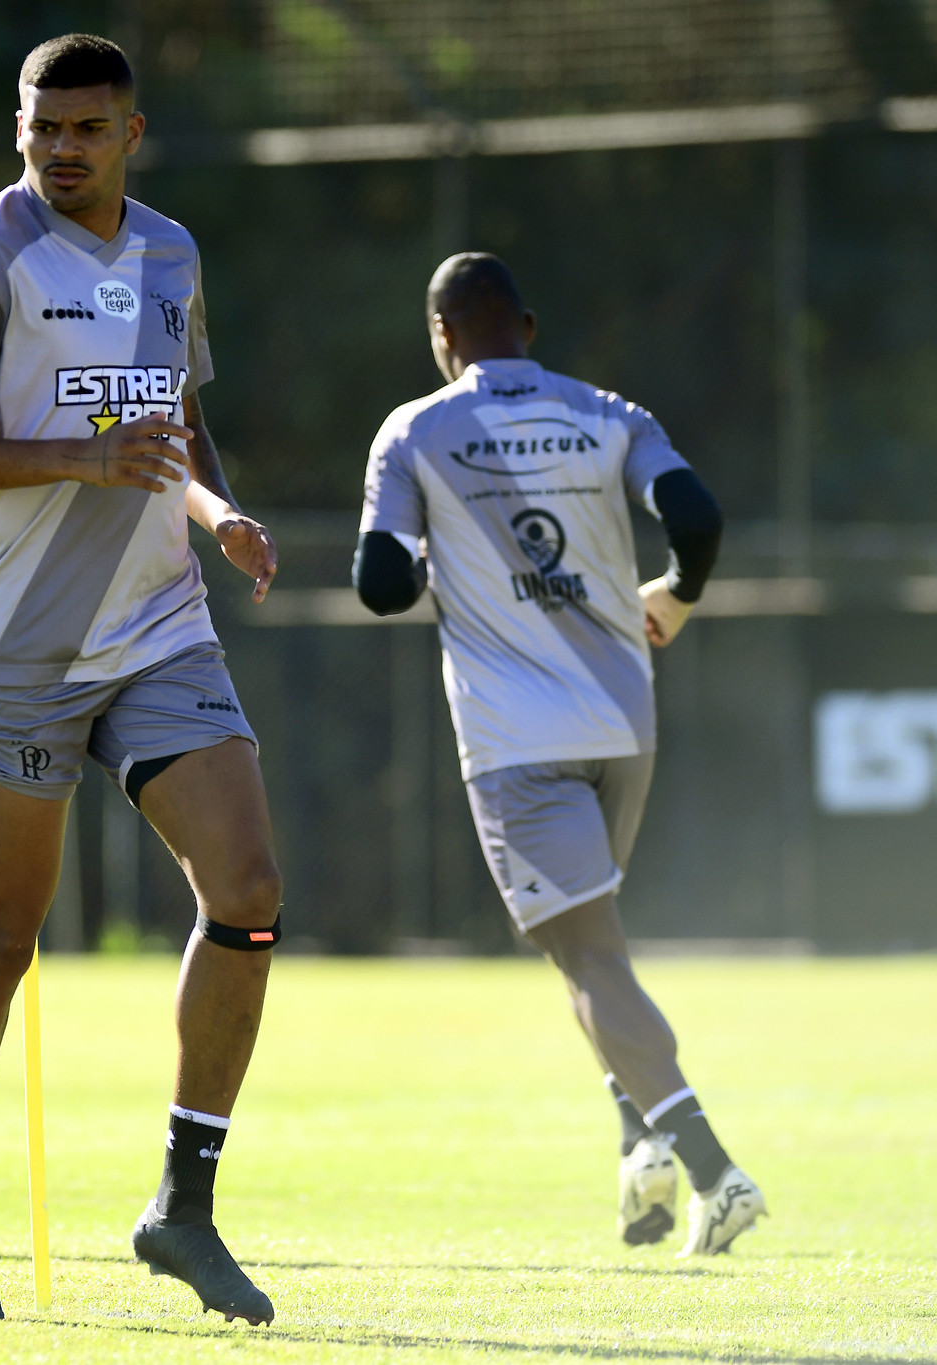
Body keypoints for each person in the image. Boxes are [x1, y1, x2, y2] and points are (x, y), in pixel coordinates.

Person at [0, 33, 283, 1324]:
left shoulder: (173, 251)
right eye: (40, 129)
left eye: (86, 131)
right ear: (20, 131)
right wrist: (78, 457)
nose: (61, 151)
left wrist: (218, 511)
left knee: (253, 895)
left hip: (160, 628)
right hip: (13, 650)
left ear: (132, 132)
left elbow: (176, 419)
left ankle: (184, 1204)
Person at [354, 252, 766, 1256]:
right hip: (623, 725)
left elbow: (377, 584)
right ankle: (642, 1153)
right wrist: (674, 592)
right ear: (525, 328)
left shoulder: (414, 431)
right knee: (595, 956)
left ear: (440, 335)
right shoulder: (609, 412)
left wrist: (421, 559)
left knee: (585, 959)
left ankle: (712, 1171)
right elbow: (696, 518)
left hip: (514, 743)